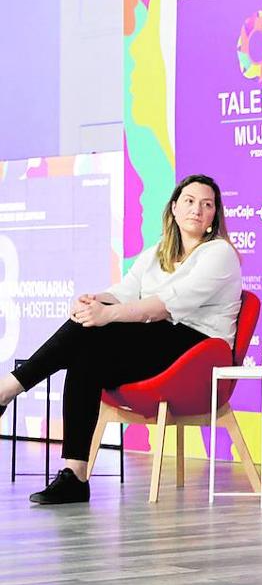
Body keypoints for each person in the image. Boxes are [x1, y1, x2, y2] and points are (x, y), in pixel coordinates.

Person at [0, 175, 242, 505]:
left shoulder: (219, 254)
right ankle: (75, 476)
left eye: (207, 204)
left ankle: (6, 389)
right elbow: (125, 292)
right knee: (87, 355)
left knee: (93, 332)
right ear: (173, 208)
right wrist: (94, 301)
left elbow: (166, 305)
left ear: (215, 215)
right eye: (189, 201)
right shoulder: (158, 252)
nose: (197, 209)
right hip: (159, 344)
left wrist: (106, 315)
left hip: (196, 351)